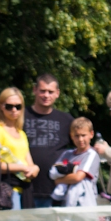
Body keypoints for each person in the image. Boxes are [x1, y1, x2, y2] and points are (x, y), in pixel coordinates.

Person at [23, 74, 74, 208]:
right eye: (42, 91)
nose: (46, 95)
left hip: (57, 190)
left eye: (50, 92)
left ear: (57, 93)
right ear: (34, 90)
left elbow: (80, 150)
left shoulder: (66, 120)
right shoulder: (21, 116)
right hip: (26, 189)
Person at [0, 87, 40, 210]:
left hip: (26, 189)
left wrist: (35, 169)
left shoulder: (21, 133)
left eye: (18, 106)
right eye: (9, 106)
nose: (14, 110)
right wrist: (21, 167)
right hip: (8, 191)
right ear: (1, 106)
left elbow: (30, 163)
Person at [49, 117, 100, 207]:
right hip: (64, 202)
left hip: (84, 203)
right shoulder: (67, 154)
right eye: (77, 136)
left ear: (91, 134)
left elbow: (78, 177)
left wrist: (59, 180)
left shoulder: (91, 154)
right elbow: (53, 172)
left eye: (83, 135)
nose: (80, 139)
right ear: (71, 136)